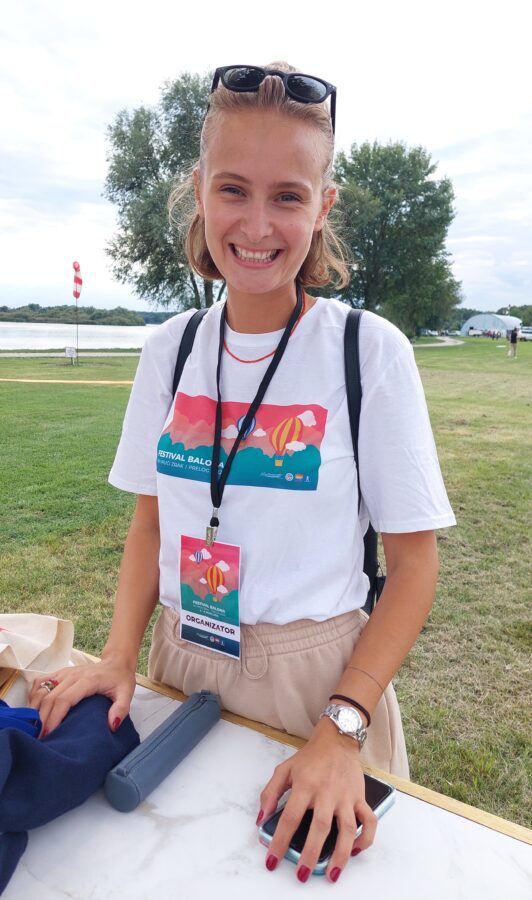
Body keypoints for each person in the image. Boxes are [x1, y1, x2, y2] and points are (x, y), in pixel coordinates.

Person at [30, 63, 455, 884]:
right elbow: (152, 521)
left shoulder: (367, 352)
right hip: (182, 655)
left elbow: (413, 568)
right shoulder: (169, 350)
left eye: (288, 196)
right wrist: (118, 657)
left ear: (323, 206)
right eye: (233, 189)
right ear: (199, 191)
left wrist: (341, 728)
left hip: (320, 683)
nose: (257, 224)